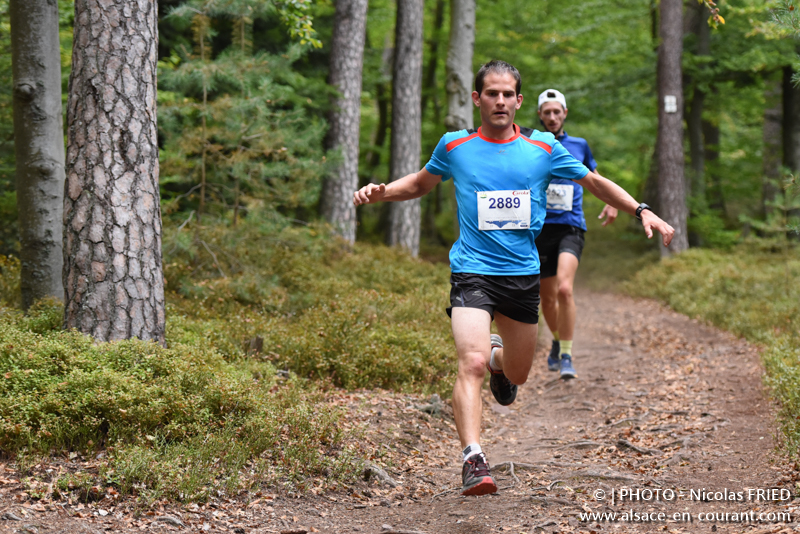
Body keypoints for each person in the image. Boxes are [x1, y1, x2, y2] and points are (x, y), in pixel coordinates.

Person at [353, 60, 674, 497]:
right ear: (477, 98)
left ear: (519, 101)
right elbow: (420, 184)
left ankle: (501, 360)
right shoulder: (456, 146)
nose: (500, 101)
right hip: (472, 271)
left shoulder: (542, 148)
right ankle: (473, 458)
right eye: (491, 93)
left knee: (517, 374)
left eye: (508, 94)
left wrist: (642, 209)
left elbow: (594, 182)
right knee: (471, 362)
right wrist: (382, 190)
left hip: (522, 275)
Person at [533, 89, 616, 380]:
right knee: (547, 298)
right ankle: (556, 340)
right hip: (540, 230)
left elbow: (595, 177)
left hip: (571, 227)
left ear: (565, 113)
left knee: (565, 289)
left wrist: (611, 201)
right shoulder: (531, 144)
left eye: (557, 112)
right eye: (547, 112)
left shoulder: (579, 145)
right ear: (540, 115)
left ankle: (566, 354)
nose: (553, 117)